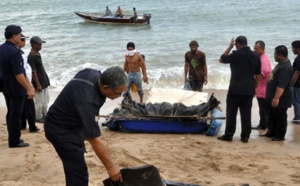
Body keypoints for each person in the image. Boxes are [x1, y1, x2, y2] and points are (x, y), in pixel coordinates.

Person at [44, 66, 126, 185]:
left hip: (72, 122)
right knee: (78, 171)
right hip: (60, 130)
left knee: (75, 165)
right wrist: (110, 167)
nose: (120, 96)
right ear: (105, 87)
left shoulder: (92, 73)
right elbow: (94, 139)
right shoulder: (87, 100)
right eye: (118, 93)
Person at [217, 36, 261, 143]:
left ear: (238, 45)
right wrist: (254, 87)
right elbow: (258, 74)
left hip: (235, 89)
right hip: (249, 89)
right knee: (246, 113)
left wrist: (229, 46)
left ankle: (229, 135)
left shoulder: (236, 54)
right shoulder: (255, 56)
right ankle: (245, 136)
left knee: (232, 112)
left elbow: (222, 59)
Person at [0, 25, 35, 148]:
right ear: (14, 36)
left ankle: (13, 137)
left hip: (5, 86)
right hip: (16, 88)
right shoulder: (15, 52)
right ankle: (14, 140)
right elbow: (19, 74)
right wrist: (28, 88)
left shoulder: (1, 48)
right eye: (20, 35)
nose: (21, 37)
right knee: (16, 114)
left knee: (11, 112)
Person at [261, 45, 293, 141]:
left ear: (280, 55)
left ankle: (280, 135)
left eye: (275, 54)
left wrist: (276, 98)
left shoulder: (286, 68)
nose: (274, 56)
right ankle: (271, 132)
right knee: (272, 116)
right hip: (272, 96)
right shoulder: (281, 64)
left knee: (280, 117)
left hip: (281, 98)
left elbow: (281, 85)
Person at [18, 35, 39, 132]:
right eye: (22, 40)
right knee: (30, 106)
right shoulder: (17, 54)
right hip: (24, 83)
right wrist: (29, 86)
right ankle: (32, 126)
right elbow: (21, 72)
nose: (24, 42)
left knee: (21, 105)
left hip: (20, 83)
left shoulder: (19, 53)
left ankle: (22, 124)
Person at [28, 36, 50, 123]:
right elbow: (33, 72)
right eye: (39, 44)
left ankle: (45, 115)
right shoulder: (31, 57)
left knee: (45, 101)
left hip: (44, 81)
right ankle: (38, 117)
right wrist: (38, 84)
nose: (41, 45)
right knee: (39, 102)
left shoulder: (37, 54)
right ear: (33, 45)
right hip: (39, 83)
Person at [252, 41, 272, 130]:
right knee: (263, 108)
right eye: (254, 48)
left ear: (262, 49)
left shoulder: (263, 61)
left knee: (263, 108)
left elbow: (259, 76)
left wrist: (254, 87)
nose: (254, 50)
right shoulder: (260, 57)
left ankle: (263, 125)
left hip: (262, 89)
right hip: (263, 88)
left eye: (257, 49)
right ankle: (264, 123)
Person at [291, 40, 300, 124]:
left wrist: (292, 83)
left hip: (298, 84)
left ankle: (298, 118)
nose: (292, 50)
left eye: (293, 48)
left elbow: (297, 72)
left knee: (296, 100)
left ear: (297, 48)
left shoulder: (298, 59)